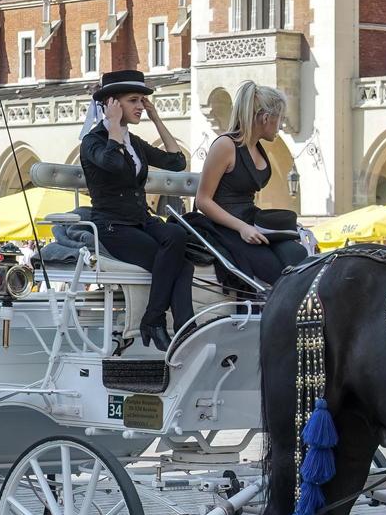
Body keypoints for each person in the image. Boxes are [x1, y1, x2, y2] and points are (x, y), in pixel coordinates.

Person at [79, 69, 194, 351]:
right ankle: (179, 327)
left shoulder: (134, 143)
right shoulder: (93, 141)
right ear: (112, 104)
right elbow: (113, 164)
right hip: (112, 226)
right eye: (134, 101)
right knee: (179, 264)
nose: (141, 106)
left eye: (142, 101)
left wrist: (156, 118)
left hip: (140, 220)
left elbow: (177, 162)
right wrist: (113, 125)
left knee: (178, 236)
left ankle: (155, 320)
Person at [193, 81, 310, 286]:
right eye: (280, 119)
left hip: (250, 220)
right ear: (266, 118)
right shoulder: (225, 145)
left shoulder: (256, 147)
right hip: (222, 225)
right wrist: (242, 228)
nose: (281, 126)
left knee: (298, 255)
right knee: (273, 269)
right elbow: (202, 200)